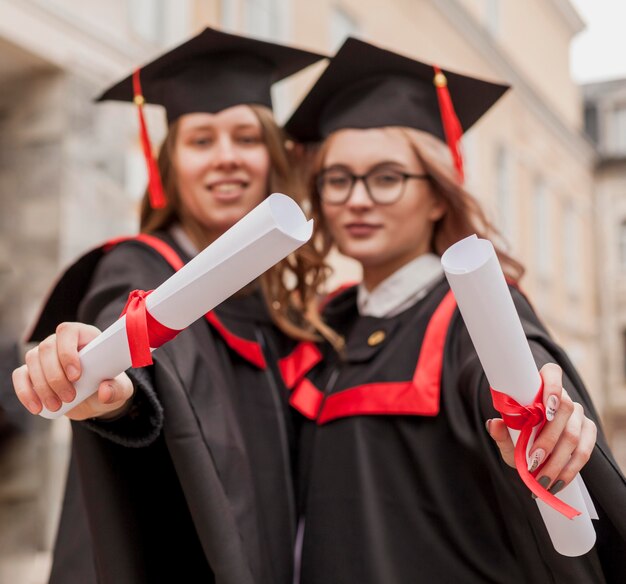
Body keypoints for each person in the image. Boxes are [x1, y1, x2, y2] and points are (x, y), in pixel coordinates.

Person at [283, 37, 626, 583]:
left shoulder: (474, 311)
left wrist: (548, 415)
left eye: (388, 177)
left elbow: (516, 374)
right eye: (338, 179)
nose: (358, 199)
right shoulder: (327, 327)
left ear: (439, 196)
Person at [11, 27, 326, 584]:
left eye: (247, 139)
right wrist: (109, 386)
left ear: (274, 158)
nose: (226, 158)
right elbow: (124, 342)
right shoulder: (139, 268)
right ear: (168, 165)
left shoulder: (281, 314)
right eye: (201, 141)